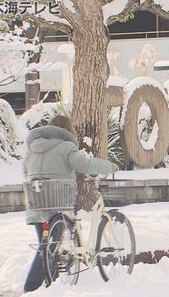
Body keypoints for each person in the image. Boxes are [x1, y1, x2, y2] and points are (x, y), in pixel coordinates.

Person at [22, 115, 118, 292]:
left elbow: (26, 172)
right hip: (58, 203)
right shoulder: (66, 146)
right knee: (49, 248)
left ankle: (52, 284)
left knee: (48, 246)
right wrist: (110, 167)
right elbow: (86, 164)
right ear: (68, 130)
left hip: (37, 204)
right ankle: (30, 288)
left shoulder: (32, 149)